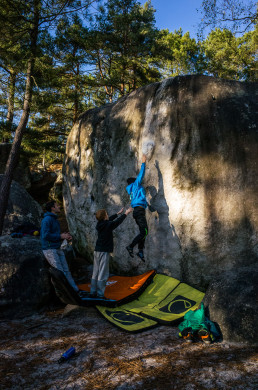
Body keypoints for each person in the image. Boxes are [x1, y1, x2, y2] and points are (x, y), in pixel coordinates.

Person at [90, 206, 133, 299]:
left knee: (95, 271)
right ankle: (100, 294)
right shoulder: (107, 225)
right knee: (103, 273)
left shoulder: (100, 224)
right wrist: (126, 213)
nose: (108, 215)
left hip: (97, 250)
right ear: (105, 216)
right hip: (104, 251)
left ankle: (93, 292)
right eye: (106, 214)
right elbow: (116, 223)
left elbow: (109, 221)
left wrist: (118, 213)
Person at [40, 200, 79, 293]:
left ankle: (74, 290)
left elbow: (54, 235)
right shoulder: (47, 220)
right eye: (57, 205)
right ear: (52, 208)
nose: (59, 207)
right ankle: (64, 294)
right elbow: (45, 235)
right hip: (50, 250)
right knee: (59, 273)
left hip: (57, 247)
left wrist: (64, 236)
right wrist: (60, 236)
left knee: (66, 270)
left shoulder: (54, 219)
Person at [126, 154, 148, 262]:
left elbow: (141, 199)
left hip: (138, 211)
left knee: (143, 232)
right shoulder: (135, 185)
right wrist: (143, 163)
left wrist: (149, 206)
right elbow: (141, 175)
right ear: (133, 182)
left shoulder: (132, 191)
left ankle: (140, 251)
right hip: (139, 211)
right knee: (144, 232)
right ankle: (131, 246)